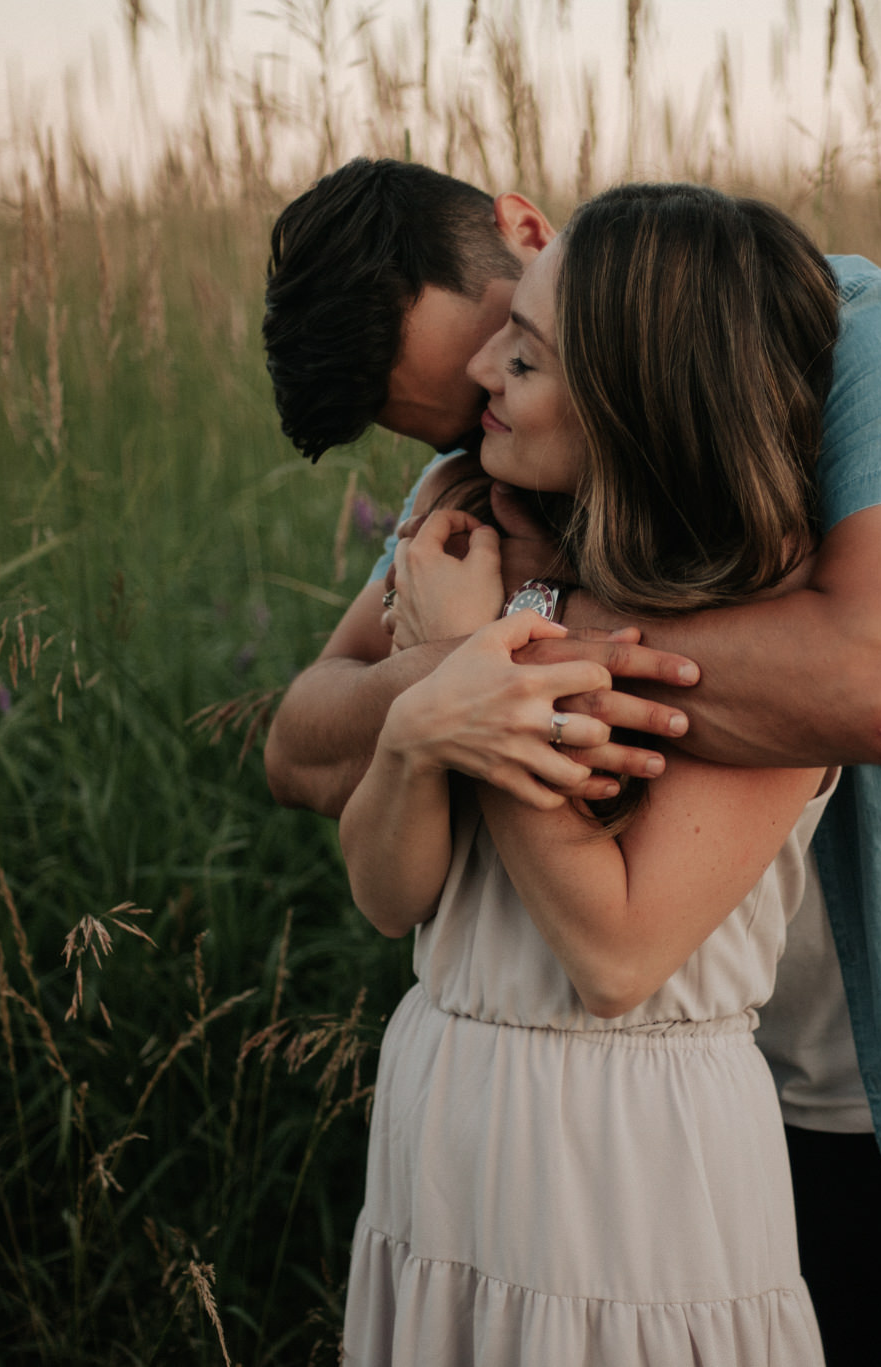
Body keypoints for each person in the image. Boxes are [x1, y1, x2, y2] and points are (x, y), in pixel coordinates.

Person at [262, 159, 881, 1364]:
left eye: (511, 354)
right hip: (705, 1107)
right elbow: (308, 740)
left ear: (531, 239)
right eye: (448, 413)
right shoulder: (498, 461)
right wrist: (442, 682)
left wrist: (511, 634)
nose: (483, 396)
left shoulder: (870, 347)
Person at [337, 182, 839, 1363]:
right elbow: (385, 894)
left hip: (626, 1169)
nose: (479, 375)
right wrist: (418, 723)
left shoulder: (760, 628)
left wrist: (477, 660)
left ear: (639, 399)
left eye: (529, 355)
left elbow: (614, 954)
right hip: (443, 1119)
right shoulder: (473, 533)